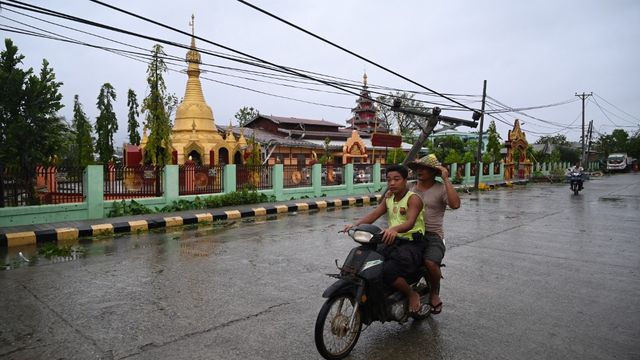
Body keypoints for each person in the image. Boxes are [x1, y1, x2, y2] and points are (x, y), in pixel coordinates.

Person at [343, 164, 426, 313]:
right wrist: (355, 225)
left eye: (396, 179)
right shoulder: (389, 198)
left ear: (406, 179)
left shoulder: (413, 199)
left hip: (412, 244)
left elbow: (410, 222)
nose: (392, 183)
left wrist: (394, 229)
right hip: (391, 240)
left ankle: (411, 294)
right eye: (388, 180)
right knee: (367, 262)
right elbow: (374, 215)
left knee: (388, 270)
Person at [407, 154, 461, 315]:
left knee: (430, 262)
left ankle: (434, 292)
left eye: (424, 168)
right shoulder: (409, 187)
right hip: (410, 232)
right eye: (418, 168)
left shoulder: (441, 188)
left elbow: (455, 204)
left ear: (433, 172)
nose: (419, 171)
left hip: (432, 235)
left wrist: (446, 179)